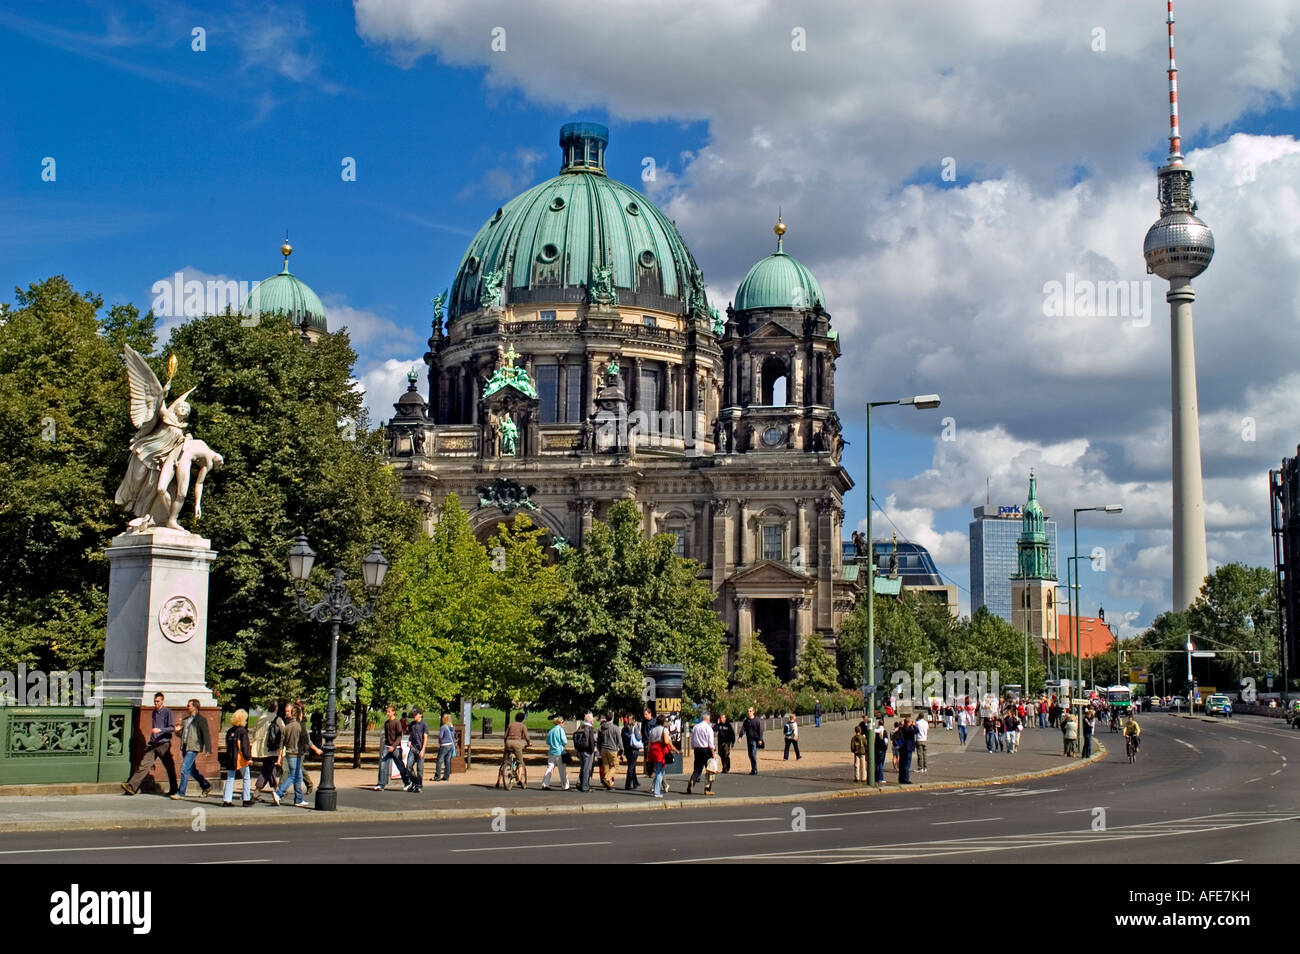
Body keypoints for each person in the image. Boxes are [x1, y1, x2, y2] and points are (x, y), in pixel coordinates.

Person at [123, 691, 178, 796]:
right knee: (144, 765)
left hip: (163, 743)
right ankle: (131, 787)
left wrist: (160, 730)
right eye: (155, 701)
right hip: (153, 744)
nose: (156, 703)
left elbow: (172, 728)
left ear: (162, 701)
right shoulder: (154, 712)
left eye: (158, 701)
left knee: (169, 767)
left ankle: (174, 789)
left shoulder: (168, 712)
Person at [172, 698, 212, 799]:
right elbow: (182, 734)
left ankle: (180, 793)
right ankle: (206, 785)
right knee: (191, 770)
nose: (187, 707)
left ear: (195, 707)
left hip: (193, 747)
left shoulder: (201, 720)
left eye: (189, 705)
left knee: (184, 768)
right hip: (185, 746)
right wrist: (177, 731)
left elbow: (206, 734)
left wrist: (208, 749)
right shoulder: (186, 720)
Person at [275, 704, 310, 807]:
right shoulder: (300, 726)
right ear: (299, 715)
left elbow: (282, 743)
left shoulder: (287, 727)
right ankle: (278, 793)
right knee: (293, 776)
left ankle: (299, 799)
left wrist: (280, 756)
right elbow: (306, 740)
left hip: (289, 754)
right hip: (296, 754)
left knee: (298, 776)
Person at [374, 705, 414, 791]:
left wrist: (394, 746)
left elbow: (399, 736)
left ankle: (408, 782)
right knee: (383, 765)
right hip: (387, 747)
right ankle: (381, 784)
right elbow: (387, 735)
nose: (387, 713)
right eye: (386, 712)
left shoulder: (397, 722)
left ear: (393, 712)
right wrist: (387, 745)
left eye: (389, 712)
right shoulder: (386, 723)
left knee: (400, 766)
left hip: (396, 748)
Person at [252, 702, 285, 804]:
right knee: (267, 769)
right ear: (276, 708)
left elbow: (255, 731)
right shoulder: (277, 719)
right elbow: (284, 731)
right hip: (272, 748)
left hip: (262, 748)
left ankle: (276, 789)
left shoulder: (262, 717)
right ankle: (257, 790)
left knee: (270, 768)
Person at [222, 709, 253, 807]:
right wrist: (248, 758)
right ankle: (246, 799)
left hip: (231, 757)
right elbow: (245, 746)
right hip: (241, 759)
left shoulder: (230, 731)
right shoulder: (242, 731)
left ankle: (227, 800)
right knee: (246, 777)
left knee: (230, 778)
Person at [686, 712, 716, 795]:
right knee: (709, 770)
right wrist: (713, 752)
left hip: (697, 750)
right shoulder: (708, 728)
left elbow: (692, 739)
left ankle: (692, 780)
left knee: (697, 769)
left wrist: (693, 747)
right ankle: (707, 789)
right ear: (707, 719)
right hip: (706, 750)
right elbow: (710, 742)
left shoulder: (696, 727)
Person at [503, 711, 530, 789]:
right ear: (523, 719)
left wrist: (505, 744)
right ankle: (519, 778)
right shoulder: (522, 726)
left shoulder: (510, 724)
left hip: (508, 742)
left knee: (505, 759)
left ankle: (505, 766)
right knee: (520, 761)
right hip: (517, 743)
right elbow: (527, 737)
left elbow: (505, 736)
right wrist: (528, 743)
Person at [542, 716, 570, 790]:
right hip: (560, 751)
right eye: (562, 722)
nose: (563, 723)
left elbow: (547, 742)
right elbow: (565, 741)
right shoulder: (560, 730)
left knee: (549, 768)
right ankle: (565, 786)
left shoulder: (551, 730)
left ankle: (545, 784)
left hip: (552, 752)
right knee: (562, 770)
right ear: (559, 722)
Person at [646, 715, 671, 798]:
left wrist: (648, 754)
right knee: (660, 771)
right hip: (660, 751)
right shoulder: (665, 730)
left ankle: (656, 789)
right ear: (663, 721)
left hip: (653, 751)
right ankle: (657, 791)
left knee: (657, 769)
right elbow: (666, 741)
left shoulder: (652, 730)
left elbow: (649, 743)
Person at [573, 712, 597, 792]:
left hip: (580, 750)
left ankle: (580, 782)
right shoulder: (589, 728)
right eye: (592, 719)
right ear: (590, 720)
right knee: (587, 769)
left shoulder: (581, 727)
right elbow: (591, 741)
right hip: (587, 751)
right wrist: (593, 749)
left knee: (583, 767)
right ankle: (585, 786)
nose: (593, 720)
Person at [406, 708, 428, 792]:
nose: (414, 716)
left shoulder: (424, 725)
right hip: (413, 748)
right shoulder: (412, 724)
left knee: (420, 768)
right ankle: (415, 782)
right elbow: (411, 735)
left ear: (420, 715)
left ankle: (419, 785)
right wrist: (409, 741)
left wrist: (422, 750)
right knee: (408, 767)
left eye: (415, 715)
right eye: (413, 715)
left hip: (420, 749)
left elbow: (425, 738)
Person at [597, 712, 620, 791]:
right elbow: (619, 740)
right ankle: (607, 778)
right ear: (612, 718)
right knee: (615, 766)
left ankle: (608, 785)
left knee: (606, 766)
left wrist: (599, 749)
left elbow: (599, 740)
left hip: (603, 749)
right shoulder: (615, 728)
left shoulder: (600, 728)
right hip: (612, 749)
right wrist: (621, 749)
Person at [740, 706, 764, 774]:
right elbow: (743, 729)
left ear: (753, 712)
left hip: (755, 740)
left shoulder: (757, 720)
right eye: (748, 711)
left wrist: (760, 739)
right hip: (749, 739)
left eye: (750, 711)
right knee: (750, 755)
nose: (749, 712)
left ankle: (755, 769)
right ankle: (753, 769)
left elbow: (760, 730)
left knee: (753, 754)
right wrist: (740, 737)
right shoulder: (746, 721)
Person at [622, 713, 642, 790]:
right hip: (634, 749)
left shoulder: (624, 728)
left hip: (627, 749)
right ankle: (628, 784)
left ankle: (635, 782)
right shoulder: (635, 727)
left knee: (631, 766)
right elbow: (639, 737)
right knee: (631, 767)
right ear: (633, 719)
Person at [433, 712, 456, 782]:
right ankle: (446, 776)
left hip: (444, 745)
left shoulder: (443, 727)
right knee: (447, 761)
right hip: (451, 745)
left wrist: (439, 741)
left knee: (439, 760)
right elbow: (453, 736)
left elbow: (440, 736)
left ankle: (437, 776)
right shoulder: (452, 727)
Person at [897, 717, 919, 784]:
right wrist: (913, 725)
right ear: (909, 723)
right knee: (907, 765)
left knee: (902, 764)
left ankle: (901, 779)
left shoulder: (901, 729)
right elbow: (917, 731)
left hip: (902, 748)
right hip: (908, 748)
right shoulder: (908, 730)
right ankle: (906, 779)